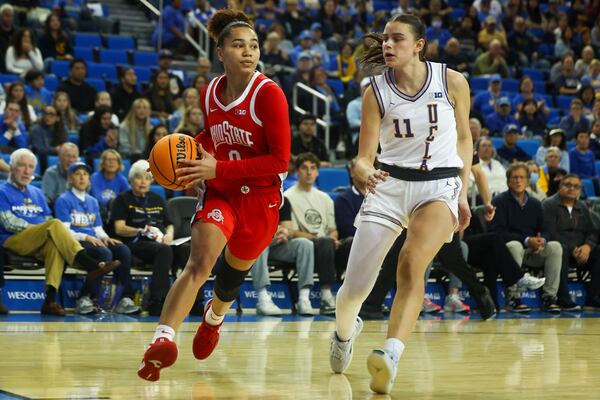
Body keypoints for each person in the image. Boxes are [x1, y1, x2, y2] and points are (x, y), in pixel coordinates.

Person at [137, 9, 291, 382]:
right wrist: (190, 160)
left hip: (261, 199)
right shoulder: (209, 92)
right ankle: (162, 340)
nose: (248, 52)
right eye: (238, 45)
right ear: (220, 52)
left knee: (227, 283)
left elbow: (280, 161)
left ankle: (214, 316)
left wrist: (216, 168)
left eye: (253, 45)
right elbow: (214, 136)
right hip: (221, 193)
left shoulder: (268, 94)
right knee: (199, 262)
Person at [328, 14, 473, 395]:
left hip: (437, 186)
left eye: (397, 39)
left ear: (419, 45)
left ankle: (390, 355)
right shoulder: (375, 91)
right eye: (385, 40)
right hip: (389, 185)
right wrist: (360, 170)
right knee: (354, 289)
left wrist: (462, 189)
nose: (388, 46)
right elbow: (364, 156)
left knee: (412, 263)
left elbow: (464, 140)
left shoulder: (453, 82)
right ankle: (344, 333)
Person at [0, 149, 120, 316]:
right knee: (55, 225)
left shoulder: (37, 192)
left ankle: (49, 300)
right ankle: (88, 263)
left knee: (55, 245)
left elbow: (47, 217)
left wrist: (44, 229)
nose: (27, 171)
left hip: (40, 238)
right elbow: (8, 222)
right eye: (22, 166)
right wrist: (38, 228)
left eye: (30, 167)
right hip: (12, 239)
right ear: (12, 168)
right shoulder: (2, 190)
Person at [54, 162, 140, 315]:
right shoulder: (63, 200)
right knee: (104, 253)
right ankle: (85, 298)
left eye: (85, 174)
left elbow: (98, 229)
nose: (82, 177)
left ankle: (124, 299)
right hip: (74, 242)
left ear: (89, 179)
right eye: (77, 174)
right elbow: (63, 231)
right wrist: (85, 236)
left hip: (93, 240)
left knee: (123, 250)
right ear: (70, 178)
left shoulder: (92, 201)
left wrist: (106, 238)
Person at [490, 162, 563, 313]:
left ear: (528, 181)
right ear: (508, 181)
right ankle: (513, 297)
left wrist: (542, 241)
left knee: (555, 247)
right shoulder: (499, 202)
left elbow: (546, 229)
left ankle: (549, 297)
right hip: (508, 253)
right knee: (515, 245)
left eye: (522, 177)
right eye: (514, 177)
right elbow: (498, 233)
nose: (518, 181)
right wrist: (526, 240)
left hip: (532, 252)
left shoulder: (536, 204)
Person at [285, 153, 347, 315]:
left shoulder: (325, 198)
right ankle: (326, 296)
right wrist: (320, 238)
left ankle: (362, 297)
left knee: (352, 243)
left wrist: (334, 238)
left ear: (318, 172)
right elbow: (291, 231)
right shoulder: (288, 197)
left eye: (313, 168)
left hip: (326, 244)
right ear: (297, 171)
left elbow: (333, 229)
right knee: (325, 242)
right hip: (306, 245)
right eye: (304, 168)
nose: (309, 172)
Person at [111, 160, 174, 316]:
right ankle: (156, 300)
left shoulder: (158, 199)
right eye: (139, 177)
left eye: (147, 178)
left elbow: (169, 223)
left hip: (161, 242)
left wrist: (169, 235)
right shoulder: (122, 199)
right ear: (131, 180)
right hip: (136, 242)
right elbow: (119, 228)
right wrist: (141, 231)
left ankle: (195, 302)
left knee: (186, 250)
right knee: (164, 251)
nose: (143, 181)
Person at [251, 197, 315, 316]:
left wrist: (285, 232)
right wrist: (269, 234)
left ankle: (304, 298)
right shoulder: (250, 198)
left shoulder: (282, 199)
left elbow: (288, 228)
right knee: (259, 242)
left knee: (305, 244)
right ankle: (263, 298)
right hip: (253, 245)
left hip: (275, 246)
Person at [543, 174, 596, 310]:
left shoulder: (582, 207)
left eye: (576, 186)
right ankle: (563, 298)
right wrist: (573, 248)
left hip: (581, 251)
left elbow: (593, 231)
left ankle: (594, 297)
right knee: (561, 249)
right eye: (568, 185)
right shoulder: (549, 204)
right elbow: (550, 232)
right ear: (560, 187)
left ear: (580, 190)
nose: (572, 189)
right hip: (561, 250)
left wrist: (588, 246)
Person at [90, 149, 130, 216]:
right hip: (98, 211)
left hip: (116, 211)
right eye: (108, 159)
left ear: (119, 164)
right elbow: (97, 199)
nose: (111, 162)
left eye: (114, 160)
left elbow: (130, 196)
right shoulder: (95, 177)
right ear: (103, 163)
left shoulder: (122, 179)